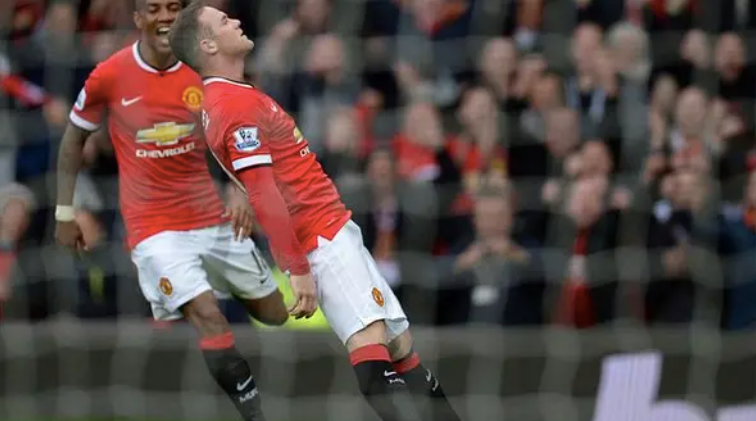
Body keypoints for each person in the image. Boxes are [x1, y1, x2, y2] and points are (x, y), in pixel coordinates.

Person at [167, 3, 463, 421]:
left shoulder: (235, 95)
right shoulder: (231, 105)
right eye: (223, 21)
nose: (236, 21)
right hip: (321, 240)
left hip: (335, 231)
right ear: (208, 44)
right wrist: (297, 267)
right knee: (372, 357)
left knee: (401, 351)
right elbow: (263, 191)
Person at [54, 1, 287, 420]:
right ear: (138, 19)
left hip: (211, 218)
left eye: (173, 8)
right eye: (154, 9)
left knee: (275, 314)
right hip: (153, 229)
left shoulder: (203, 68)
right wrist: (63, 212)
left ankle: (211, 300)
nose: (164, 17)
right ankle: (255, 413)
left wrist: (239, 190)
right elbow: (73, 139)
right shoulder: (110, 74)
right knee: (208, 314)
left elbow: (240, 129)